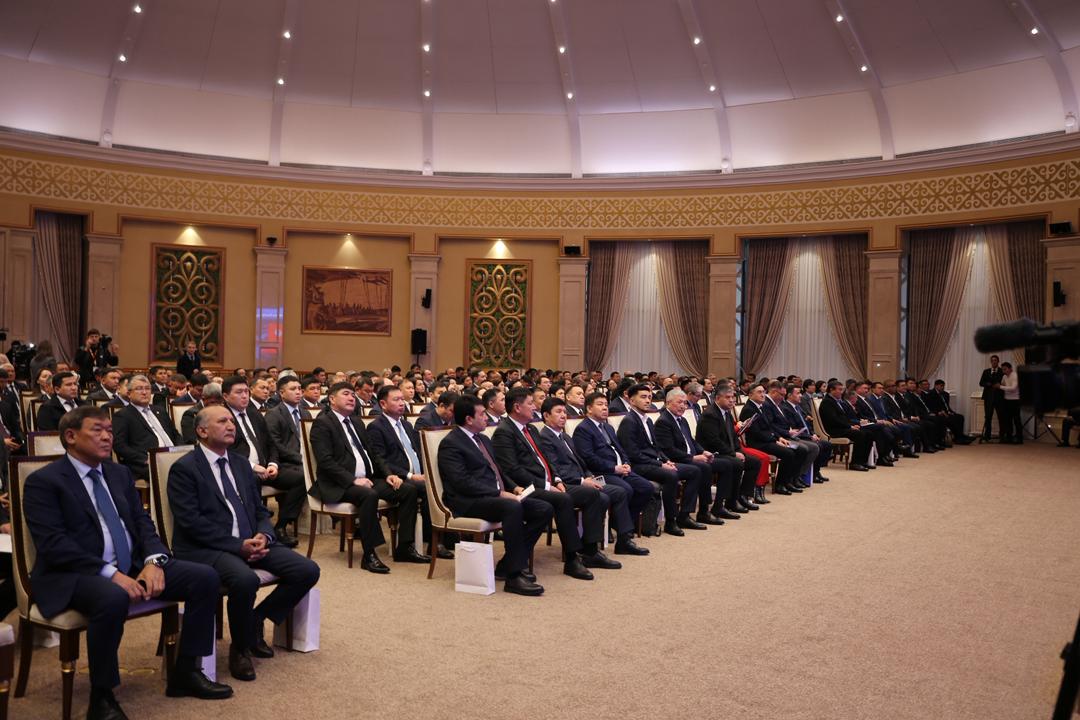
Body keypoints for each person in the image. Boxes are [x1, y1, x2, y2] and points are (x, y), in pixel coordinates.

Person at [23, 406, 232, 719]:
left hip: (131, 564)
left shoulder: (118, 474)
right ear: (71, 436)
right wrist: (110, 574)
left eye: (109, 430)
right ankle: (102, 696)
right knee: (112, 597)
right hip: (74, 573)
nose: (107, 437)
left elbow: (143, 523)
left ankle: (186, 672)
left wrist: (154, 560)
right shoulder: (45, 481)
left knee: (204, 577)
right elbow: (54, 545)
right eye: (97, 430)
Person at [168, 405, 320, 682]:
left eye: (231, 421)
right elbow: (191, 522)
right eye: (222, 421)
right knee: (245, 580)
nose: (231, 425)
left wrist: (265, 535)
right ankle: (240, 648)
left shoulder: (240, 464)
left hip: (252, 540)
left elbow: (260, 510)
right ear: (202, 431)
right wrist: (237, 546)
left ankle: (255, 621)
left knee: (307, 570)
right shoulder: (185, 468)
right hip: (207, 547)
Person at [437, 396, 552, 595]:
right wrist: (499, 493)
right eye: (482, 414)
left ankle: (508, 563)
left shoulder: (482, 439)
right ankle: (514, 576)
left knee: (543, 508)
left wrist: (513, 488)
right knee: (512, 507)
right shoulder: (451, 444)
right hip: (468, 501)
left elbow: (498, 470)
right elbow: (462, 482)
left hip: (492, 497)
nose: (486, 418)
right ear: (469, 419)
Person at [309, 382, 426, 572]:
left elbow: (374, 454)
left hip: (368, 479)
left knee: (408, 490)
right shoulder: (323, 423)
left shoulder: (356, 422)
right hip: (339, 483)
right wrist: (353, 480)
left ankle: (404, 547)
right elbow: (325, 461)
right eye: (346, 394)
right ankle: (369, 554)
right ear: (331, 399)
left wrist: (388, 475)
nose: (351, 398)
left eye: (352, 395)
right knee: (368, 495)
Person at [491, 388, 605, 579]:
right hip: (525, 487)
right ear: (517, 407)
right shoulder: (504, 432)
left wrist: (557, 480)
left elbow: (547, 460)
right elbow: (513, 470)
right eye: (530, 403)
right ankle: (571, 559)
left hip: (549, 483)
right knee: (563, 500)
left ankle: (590, 551)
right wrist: (545, 485)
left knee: (591, 494)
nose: (534, 407)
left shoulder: (531, 428)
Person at [536, 397, 647, 556]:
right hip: (568, 483)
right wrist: (582, 481)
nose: (563, 415)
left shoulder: (564, 436)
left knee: (620, 492)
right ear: (546, 416)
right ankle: (590, 546)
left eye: (565, 412)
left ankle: (623, 540)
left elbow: (582, 463)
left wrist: (588, 476)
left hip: (585, 478)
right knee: (607, 495)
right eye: (558, 412)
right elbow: (556, 469)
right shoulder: (545, 438)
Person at [364, 385, 453, 560]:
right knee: (424, 489)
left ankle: (448, 536)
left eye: (402, 399)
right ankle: (424, 543)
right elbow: (380, 460)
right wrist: (410, 476)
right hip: (391, 477)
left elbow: (417, 452)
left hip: (417, 475)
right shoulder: (376, 427)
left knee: (443, 483)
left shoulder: (405, 424)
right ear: (383, 404)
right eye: (396, 400)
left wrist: (427, 472)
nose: (401, 403)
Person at [616, 383, 704, 534]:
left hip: (653, 462)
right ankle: (671, 521)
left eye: (649, 397)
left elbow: (656, 447)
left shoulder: (648, 420)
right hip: (638, 465)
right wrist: (660, 464)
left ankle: (684, 515)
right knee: (671, 475)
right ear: (632, 400)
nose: (648, 400)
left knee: (694, 471)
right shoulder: (629, 422)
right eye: (643, 397)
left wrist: (665, 460)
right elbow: (633, 454)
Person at [572, 392, 657, 548]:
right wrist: (614, 468)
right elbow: (588, 458)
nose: (605, 408)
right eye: (600, 404)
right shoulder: (583, 429)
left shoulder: (608, 427)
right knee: (625, 489)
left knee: (646, 487)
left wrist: (626, 463)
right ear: (589, 409)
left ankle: (620, 523)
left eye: (606, 404)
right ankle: (624, 535)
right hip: (601, 473)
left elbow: (621, 449)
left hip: (620, 469)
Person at [653, 388, 735, 524]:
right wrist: (693, 458)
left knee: (726, 465)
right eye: (679, 402)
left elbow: (692, 441)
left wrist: (703, 451)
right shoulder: (664, 421)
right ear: (668, 403)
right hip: (676, 459)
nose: (683, 406)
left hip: (690, 457)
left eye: (685, 403)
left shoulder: (682, 420)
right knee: (703, 467)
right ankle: (698, 512)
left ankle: (718, 506)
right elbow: (668, 450)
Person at [696, 380, 765, 509]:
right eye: (727, 397)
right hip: (712, 452)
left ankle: (742, 496)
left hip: (725, 451)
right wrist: (733, 453)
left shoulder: (726, 412)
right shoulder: (710, 415)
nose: (732, 400)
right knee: (736, 463)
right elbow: (714, 441)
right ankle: (728, 502)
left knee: (754, 462)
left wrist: (739, 451)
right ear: (717, 398)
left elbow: (733, 437)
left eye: (733, 397)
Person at [739, 383, 811, 493]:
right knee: (788, 453)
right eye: (759, 392)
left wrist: (779, 438)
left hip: (768, 440)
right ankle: (780, 485)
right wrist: (775, 441)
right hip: (758, 443)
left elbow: (770, 427)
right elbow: (756, 432)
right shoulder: (749, 409)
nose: (763, 394)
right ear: (750, 394)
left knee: (799, 449)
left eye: (763, 392)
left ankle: (789, 481)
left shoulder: (761, 406)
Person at [112, 374, 181, 481]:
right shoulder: (123, 415)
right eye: (139, 389)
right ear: (129, 394)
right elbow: (119, 445)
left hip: (173, 456)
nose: (144, 392)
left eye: (147, 388)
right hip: (146, 463)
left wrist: (183, 451)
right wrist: (145, 459)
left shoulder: (160, 410)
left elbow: (175, 435)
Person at [817, 380, 873, 472]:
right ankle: (855, 463)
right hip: (833, 430)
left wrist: (852, 425)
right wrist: (850, 427)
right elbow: (833, 419)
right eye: (839, 389)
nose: (841, 392)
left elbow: (844, 418)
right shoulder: (827, 402)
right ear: (831, 390)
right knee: (860, 434)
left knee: (869, 433)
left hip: (841, 427)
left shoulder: (836, 401)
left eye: (842, 389)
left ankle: (862, 461)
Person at [978, 355, 1004, 442]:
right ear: (991, 362)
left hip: (999, 398)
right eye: (992, 360)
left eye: (995, 360)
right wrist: (987, 384)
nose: (994, 362)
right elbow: (981, 383)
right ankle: (987, 436)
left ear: (998, 361)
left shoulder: (1001, 371)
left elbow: (1004, 383)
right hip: (988, 398)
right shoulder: (986, 371)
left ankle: (1002, 436)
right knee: (988, 417)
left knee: (1001, 417)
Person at [997, 362, 1023, 444]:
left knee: (1016, 420)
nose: (1004, 371)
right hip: (1007, 400)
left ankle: (1019, 438)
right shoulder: (1004, 376)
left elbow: (1013, 388)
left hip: (1015, 400)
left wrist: (1000, 386)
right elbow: (1002, 384)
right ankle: (1009, 437)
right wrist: (1000, 385)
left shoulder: (1015, 375)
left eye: (1005, 369)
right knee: (1008, 420)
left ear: (1010, 368)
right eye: (1002, 369)